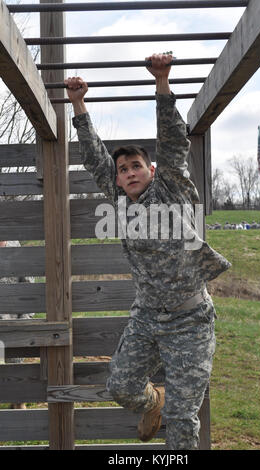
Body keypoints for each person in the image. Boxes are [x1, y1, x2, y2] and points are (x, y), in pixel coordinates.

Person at [66, 53, 231, 450]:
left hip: (190, 320)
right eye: (123, 170)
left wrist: (162, 81)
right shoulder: (120, 201)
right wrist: (77, 103)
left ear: (151, 169)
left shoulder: (170, 186)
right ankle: (151, 401)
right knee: (121, 387)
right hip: (146, 319)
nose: (129, 173)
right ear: (118, 181)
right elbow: (93, 156)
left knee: (182, 418)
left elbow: (174, 140)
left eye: (136, 165)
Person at [0, 240, 35, 409]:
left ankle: (18, 402)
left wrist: (25, 317)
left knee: (16, 363)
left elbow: (28, 285)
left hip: (13, 319)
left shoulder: (15, 247)